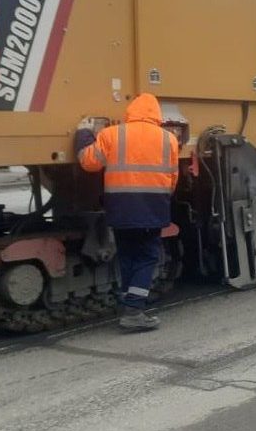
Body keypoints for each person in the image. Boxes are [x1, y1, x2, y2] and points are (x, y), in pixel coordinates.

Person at [75, 93, 179, 331]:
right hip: (152, 207)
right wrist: (162, 199)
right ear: (156, 115)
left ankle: (128, 304)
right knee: (147, 257)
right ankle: (134, 310)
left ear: (130, 111)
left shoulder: (112, 134)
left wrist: (83, 134)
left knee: (127, 255)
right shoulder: (169, 139)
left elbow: (89, 162)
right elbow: (173, 179)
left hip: (120, 207)